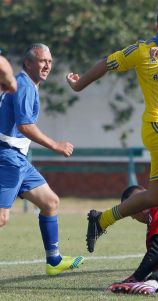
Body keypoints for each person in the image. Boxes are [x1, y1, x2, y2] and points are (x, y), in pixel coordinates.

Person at [66, 6, 158, 252]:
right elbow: (107, 62)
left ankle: (101, 219)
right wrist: (79, 84)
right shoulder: (141, 51)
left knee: (157, 196)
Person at [0, 43, 84, 275]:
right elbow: (25, 126)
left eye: (49, 61)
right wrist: (55, 145)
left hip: (17, 158)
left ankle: (54, 260)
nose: (47, 65)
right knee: (2, 218)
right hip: (7, 157)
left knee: (50, 202)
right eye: (42, 61)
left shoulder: (25, 83)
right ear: (28, 63)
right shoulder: (24, 85)